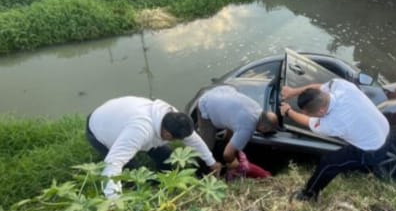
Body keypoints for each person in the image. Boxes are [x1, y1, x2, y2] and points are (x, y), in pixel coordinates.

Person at [86, 96, 221, 199]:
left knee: (167, 157)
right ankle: (137, 195)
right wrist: (113, 201)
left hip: (121, 116)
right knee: (132, 172)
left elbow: (194, 141)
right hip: (99, 128)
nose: (178, 141)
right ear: (167, 134)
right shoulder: (140, 130)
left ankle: (163, 186)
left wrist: (212, 162)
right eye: (176, 139)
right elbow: (113, 162)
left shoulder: (172, 117)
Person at [280, 78, 390, 201]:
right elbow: (317, 86)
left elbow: (307, 122)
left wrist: (288, 111)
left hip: (372, 150)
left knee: (329, 163)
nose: (308, 115)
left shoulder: (332, 124)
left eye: (310, 113)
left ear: (321, 111)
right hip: (385, 129)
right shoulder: (342, 86)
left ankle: (308, 195)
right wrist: (292, 92)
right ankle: (368, 167)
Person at [196, 85, 278, 179]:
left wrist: (228, 143)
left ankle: (218, 154)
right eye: (267, 131)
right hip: (206, 105)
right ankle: (200, 174)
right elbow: (227, 154)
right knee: (206, 148)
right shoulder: (248, 127)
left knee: (226, 141)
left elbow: (235, 122)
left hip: (219, 94)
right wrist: (233, 162)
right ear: (263, 128)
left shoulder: (256, 108)